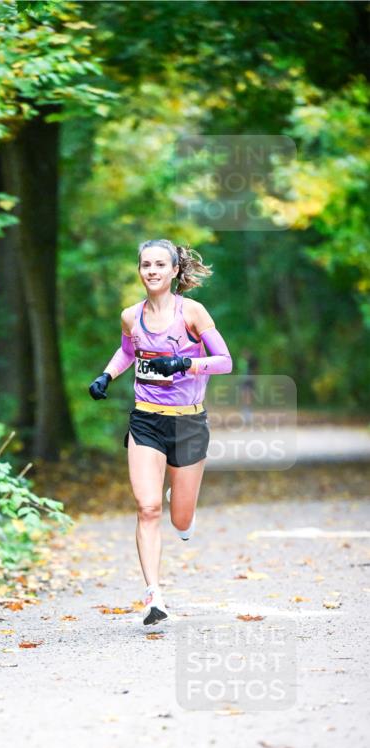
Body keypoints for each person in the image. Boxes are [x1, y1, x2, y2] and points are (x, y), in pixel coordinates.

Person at [88, 239, 233, 626]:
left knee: (179, 519)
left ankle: (181, 508)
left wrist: (184, 363)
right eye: (145, 265)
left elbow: (224, 362)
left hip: (188, 423)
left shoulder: (192, 313)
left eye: (159, 265)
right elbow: (127, 352)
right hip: (146, 420)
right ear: (140, 270)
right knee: (147, 508)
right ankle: (154, 594)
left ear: (173, 271)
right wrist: (107, 375)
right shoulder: (130, 316)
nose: (151, 271)